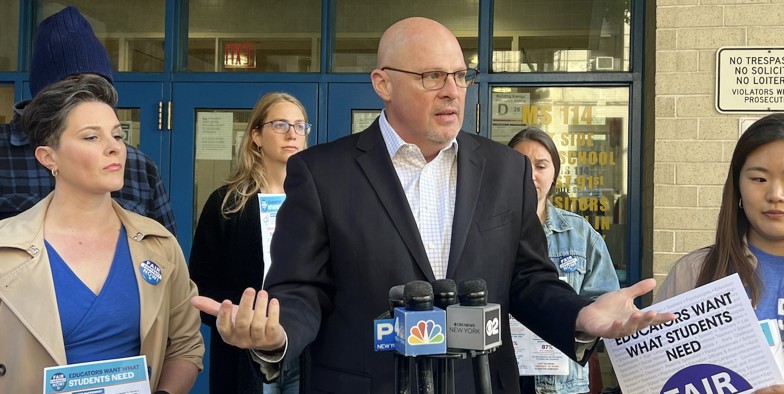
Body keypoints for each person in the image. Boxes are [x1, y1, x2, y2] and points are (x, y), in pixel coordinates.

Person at [193, 17, 673, 393]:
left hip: (482, 383)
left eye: (461, 75)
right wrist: (276, 336)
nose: (452, 89)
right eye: (432, 76)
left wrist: (579, 315)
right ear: (383, 83)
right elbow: (302, 290)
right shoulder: (322, 173)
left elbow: (529, 278)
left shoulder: (506, 171)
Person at [0, 75, 203, 392]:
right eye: (91, 138)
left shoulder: (159, 244)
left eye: (118, 136)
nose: (114, 149)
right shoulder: (5, 247)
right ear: (48, 157)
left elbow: (186, 346)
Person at [656, 114, 784, 393]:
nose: (775, 194)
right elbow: (656, 380)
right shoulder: (692, 273)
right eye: (759, 178)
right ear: (738, 186)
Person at [0, 6, 176, 233]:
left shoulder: (139, 167)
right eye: (74, 86)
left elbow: (163, 254)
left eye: (99, 86)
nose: (89, 95)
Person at [189, 92, 309, 394]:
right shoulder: (227, 203)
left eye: (300, 126)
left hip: (305, 348)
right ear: (256, 135)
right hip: (245, 352)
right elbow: (201, 282)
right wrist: (234, 312)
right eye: (281, 125)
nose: (292, 134)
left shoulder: (319, 202)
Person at [509, 127, 620, 394]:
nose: (531, 175)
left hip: (562, 385)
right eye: (520, 165)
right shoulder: (484, 232)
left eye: (541, 165)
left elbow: (604, 306)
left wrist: (587, 319)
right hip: (503, 379)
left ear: (554, 173)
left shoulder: (581, 235)